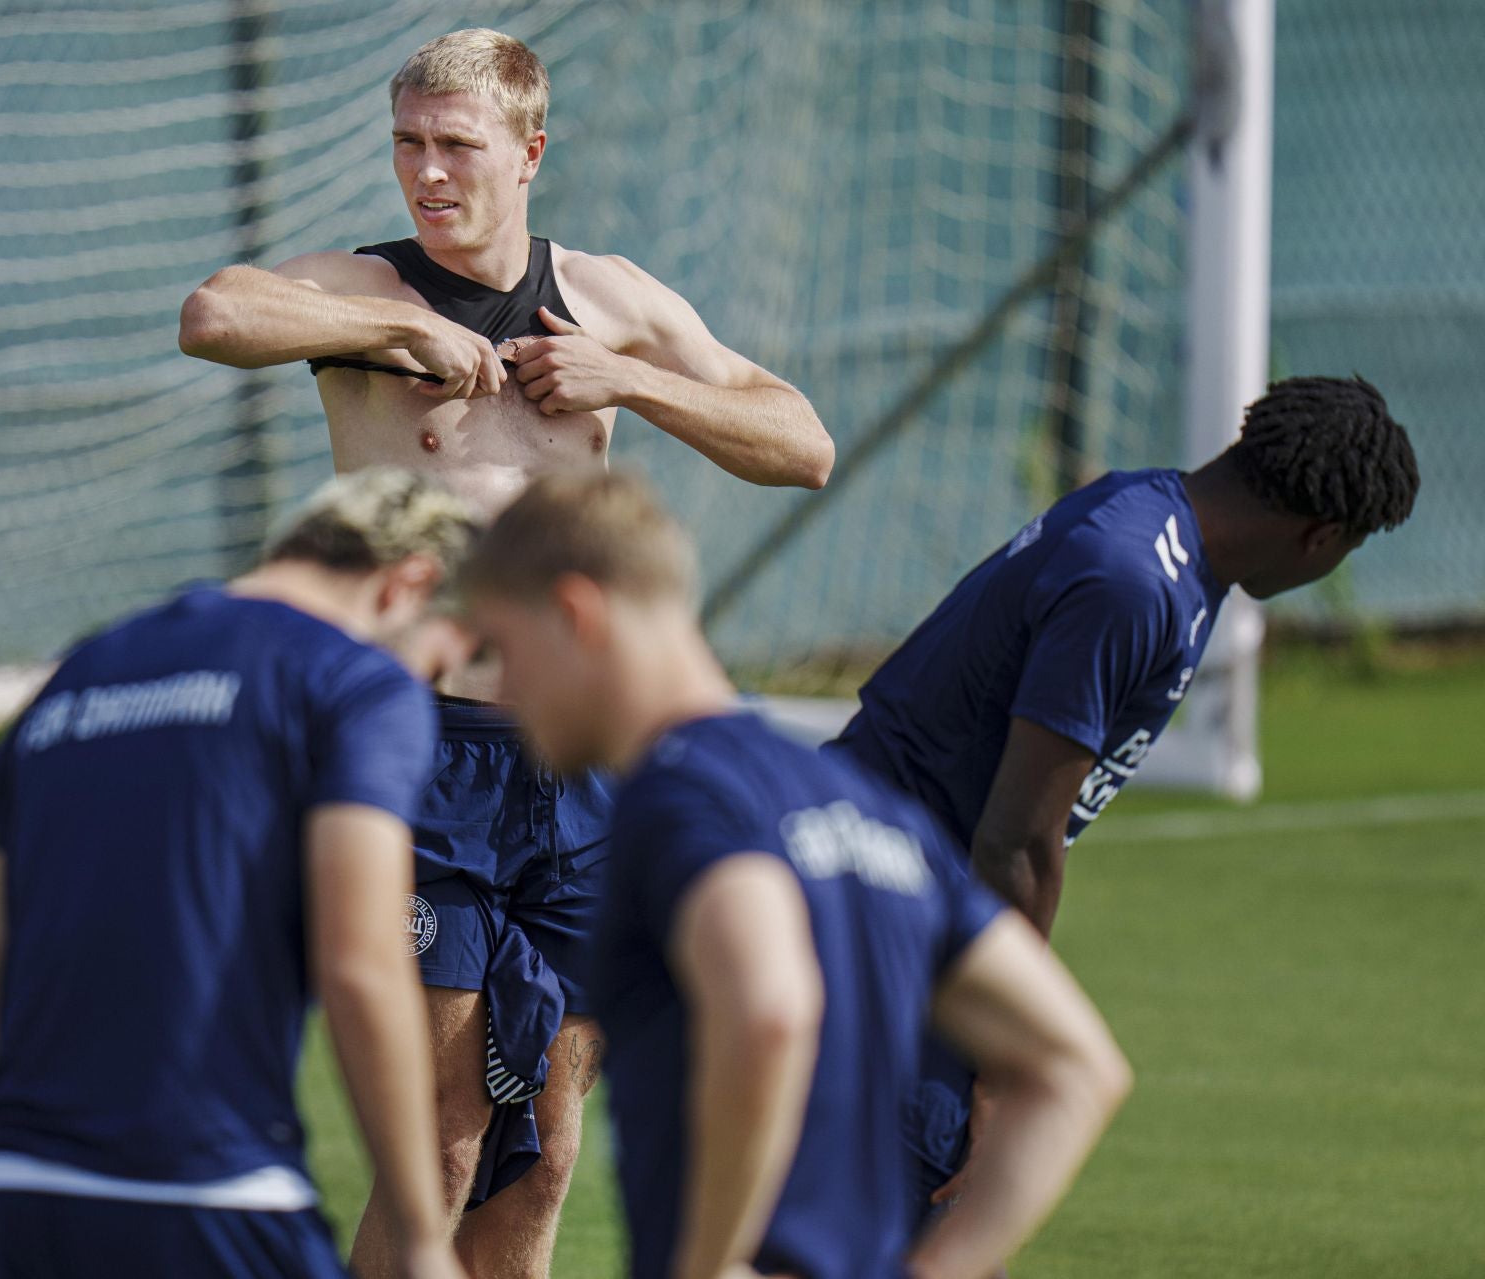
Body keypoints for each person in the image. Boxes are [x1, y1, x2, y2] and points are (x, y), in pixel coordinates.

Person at [179, 27, 835, 1275]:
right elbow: (215, 312)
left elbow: (800, 442)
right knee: (436, 1151)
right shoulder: (364, 290)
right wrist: (388, 338)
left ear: (530, 151)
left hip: (578, 762)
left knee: (542, 1158)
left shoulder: (610, 298)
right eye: (407, 144)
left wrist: (628, 382)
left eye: (456, 146)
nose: (426, 172)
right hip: (421, 758)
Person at [461, 470, 1132, 1279]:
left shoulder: (678, 796)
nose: (502, 689)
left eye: (503, 650)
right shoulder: (864, 805)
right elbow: (1076, 1066)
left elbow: (770, 1006)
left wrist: (707, 1264)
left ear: (575, 614)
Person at [822, 375, 1421, 1223]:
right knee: (915, 1232)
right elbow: (1018, 841)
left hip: (904, 902)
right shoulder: (1132, 580)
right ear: (1321, 538)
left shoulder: (1154, 519)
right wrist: (1009, 1059)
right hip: (890, 911)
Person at [0, 469, 480, 1279]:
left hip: (26, 1191)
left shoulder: (79, 674)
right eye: (445, 663)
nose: (431, 691)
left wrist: (33, 1173)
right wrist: (419, 1235)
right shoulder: (353, 684)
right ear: (411, 584)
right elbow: (362, 963)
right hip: (216, 1190)